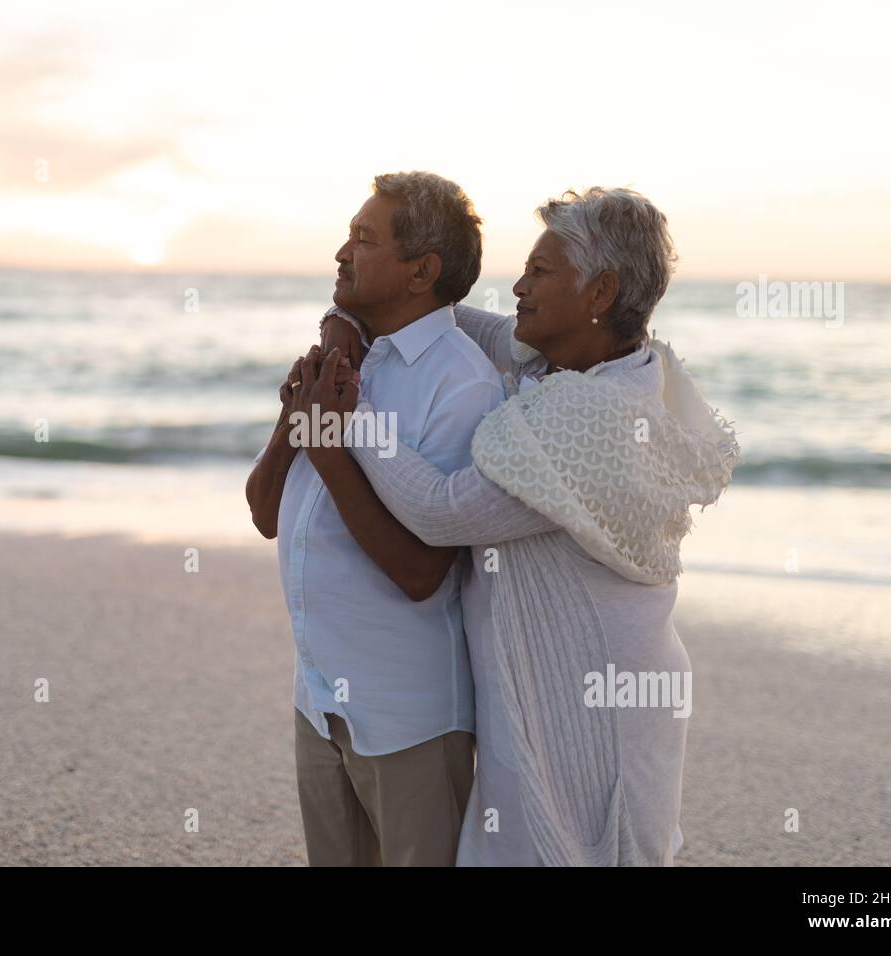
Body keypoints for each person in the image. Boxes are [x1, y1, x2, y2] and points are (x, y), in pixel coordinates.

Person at [307, 187, 739, 864]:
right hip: (530, 699)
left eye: (540, 274)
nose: (517, 286)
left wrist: (350, 418)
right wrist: (347, 319)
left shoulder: (596, 420)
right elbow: (429, 315)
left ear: (599, 292)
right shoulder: (557, 363)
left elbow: (441, 511)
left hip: (594, 713)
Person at [244, 171, 503, 865]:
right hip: (317, 700)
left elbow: (423, 572)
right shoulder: (344, 357)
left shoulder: (462, 385)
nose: (341, 253)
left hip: (407, 720)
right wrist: (292, 423)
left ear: (422, 271)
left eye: (364, 239)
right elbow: (265, 512)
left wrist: (329, 448)